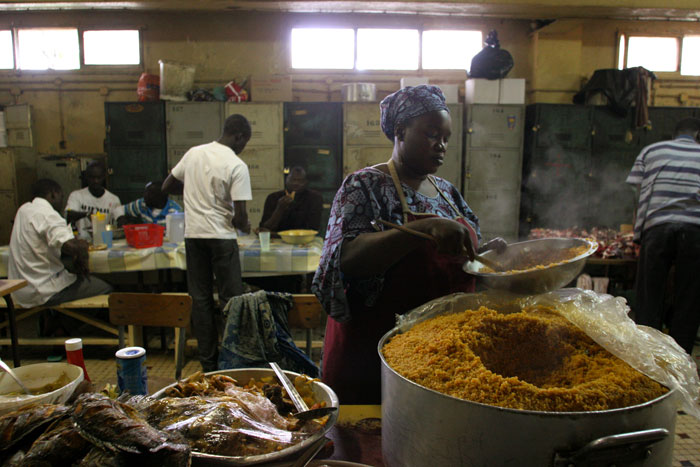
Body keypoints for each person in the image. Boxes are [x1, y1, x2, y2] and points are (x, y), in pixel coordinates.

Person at [312, 85, 507, 404]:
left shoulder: (448, 193)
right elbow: (345, 260)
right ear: (400, 131)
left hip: (439, 354)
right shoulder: (365, 186)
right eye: (431, 134)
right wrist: (424, 228)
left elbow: (458, 262)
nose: (440, 146)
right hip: (373, 356)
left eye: (445, 138)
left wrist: (486, 255)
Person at [162, 114, 252, 372]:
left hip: (194, 237)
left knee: (200, 300)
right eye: (244, 141)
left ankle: (209, 365)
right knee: (230, 301)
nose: (243, 146)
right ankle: (232, 363)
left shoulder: (193, 153)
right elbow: (240, 218)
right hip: (222, 239)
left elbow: (167, 186)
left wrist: (194, 189)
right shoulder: (236, 165)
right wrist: (245, 227)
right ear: (239, 136)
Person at [626, 116, 700, 354]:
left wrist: (638, 234)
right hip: (695, 231)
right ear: (697, 135)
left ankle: (647, 356)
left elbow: (637, 192)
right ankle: (681, 360)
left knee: (649, 295)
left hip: (657, 228)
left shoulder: (651, 150)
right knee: (689, 297)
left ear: (673, 135)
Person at [8, 178, 113, 312]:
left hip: (20, 291)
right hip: (43, 291)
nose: (62, 203)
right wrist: (82, 251)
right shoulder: (48, 214)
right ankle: (73, 328)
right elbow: (71, 246)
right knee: (106, 288)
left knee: (73, 275)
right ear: (53, 194)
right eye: (61, 197)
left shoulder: (23, 210)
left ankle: (55, 321)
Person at [65, 161, 121, 240]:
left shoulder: (114, 199)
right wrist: (86, 214)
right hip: (82, 242)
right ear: (87, 177)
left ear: (104, 177)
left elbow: (117, 224)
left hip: (104, 241)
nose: (96, 181)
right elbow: (68, 214)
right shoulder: (76, 196)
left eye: (99, 178)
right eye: (92, 177)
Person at [258, 166, 323, 234]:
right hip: (277, 239)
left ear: (306, 182)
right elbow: (264, 229)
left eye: (300, 181)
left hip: (305, 239)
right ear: (286, 180)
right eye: (293, 179)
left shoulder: (314, 198)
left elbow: (314, 228)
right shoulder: (273, 197)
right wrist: (279, 209)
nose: (296, 183)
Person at [114, 180, 182, 226]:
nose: (145, 196)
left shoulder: (175, 211)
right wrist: (121, 219)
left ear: (162, 196)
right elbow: (118, 209)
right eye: (145, 192)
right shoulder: (142, 204)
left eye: (151, 194)